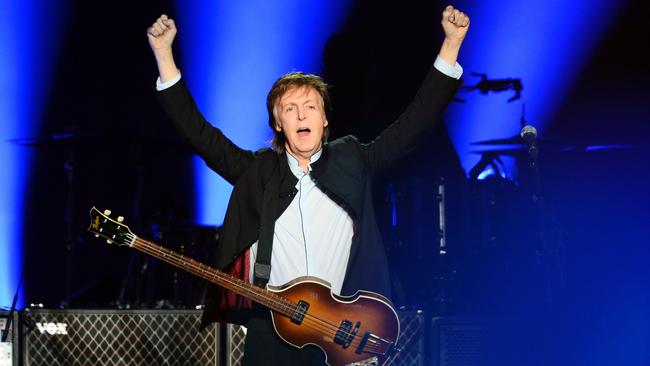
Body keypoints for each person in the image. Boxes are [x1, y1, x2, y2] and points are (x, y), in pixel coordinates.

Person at [147, 5, 469, 365]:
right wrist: (163, 54)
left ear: (325, 118)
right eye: (290, 108)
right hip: (272, 328)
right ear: (278, 123)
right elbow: (200, 134)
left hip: (344, 330)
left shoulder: (352, 159)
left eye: (311, 106)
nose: (301, 114)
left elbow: (414, 124)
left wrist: (451, 45)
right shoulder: (259, 170)